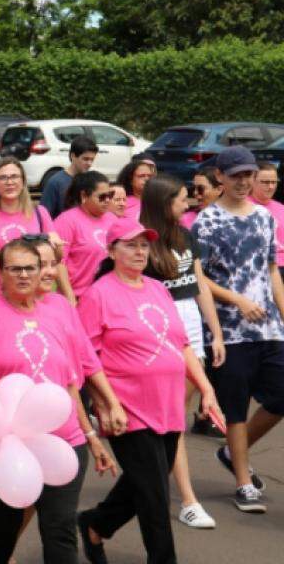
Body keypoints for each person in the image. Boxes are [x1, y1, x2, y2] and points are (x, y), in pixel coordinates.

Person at [0, 238, 124, 564]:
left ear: (41, 271)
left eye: (30, 268)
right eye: (14, 269)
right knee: (2, 527)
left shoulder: (61, 308)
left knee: (60, 528)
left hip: (62, 442)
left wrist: (96, 429)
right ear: (0, 273)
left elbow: (73, 378)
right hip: (5, 444)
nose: (23, 275)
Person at [78, 218, 223, 564]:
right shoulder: (98, 294)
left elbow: (182, 344)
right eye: (130, 245)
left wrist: (205, 389)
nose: (140, 251)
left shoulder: (158, 288)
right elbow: (86, 358)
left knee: (145, 483)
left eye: (144, 245)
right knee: (155, 496)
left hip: (168, 405)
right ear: (111, 251)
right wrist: (105, 405)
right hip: (127, 409)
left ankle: (95, 524)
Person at [191, 145, 284, 513]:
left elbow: (272, 271)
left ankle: (233, 451)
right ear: (220, 178)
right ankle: (244, 483)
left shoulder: (265, 218)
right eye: (236, 176)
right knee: (235, 408)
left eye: (248, 175)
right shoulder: (207, 222)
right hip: (230, 331)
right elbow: (198, 277)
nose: (244, 182)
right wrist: (237, 300)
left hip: (269, 329)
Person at [140, 174, 226, 529]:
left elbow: (199, 283)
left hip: (192, 327)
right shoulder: (142, 241)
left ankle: (154, 484)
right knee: (168, 419)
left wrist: (215, 333)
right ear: (164, 202)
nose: (188, 202)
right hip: (160, 332)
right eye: (181, 198)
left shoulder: (186, 234)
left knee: (174, 417)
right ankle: (186, 499)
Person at [0, 157, 63, 307]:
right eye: (2, 178)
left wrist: (57, 247)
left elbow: (57, 258)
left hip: (33, 295)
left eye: (14, 176)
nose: (9, 182)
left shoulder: (39, 213)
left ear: (23, 181)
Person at [53, 171, 115, 297]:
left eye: (110, 195)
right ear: (84, 196)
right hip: (79, 296)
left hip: (107, 296)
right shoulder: (66, 221)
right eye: (102, 197)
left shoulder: (112, 219)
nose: (108, 200)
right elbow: (59, 262)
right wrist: (70, 298)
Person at [40, 137, 100, 219]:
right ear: (73, 156)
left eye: (92, 160)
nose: (89, 163)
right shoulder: (56, 182)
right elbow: (44, 216)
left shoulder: (91, 181)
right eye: (85, 159)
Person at [253, 161, 284, 266]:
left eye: (274, 182)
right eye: (265, 182)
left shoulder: (281, 207)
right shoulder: (244, 207)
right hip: (263, 267)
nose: (271, 187)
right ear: (252, 182)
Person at [117, 157, 157, 222]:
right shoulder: (122, 203)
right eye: (141, 176)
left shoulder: (159, 200)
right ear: (130, 180)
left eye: (150, 176)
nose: (147, 179)